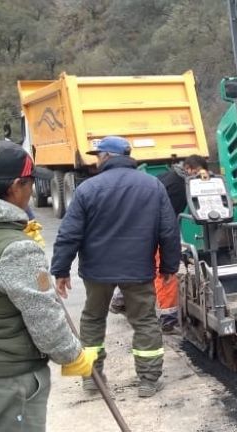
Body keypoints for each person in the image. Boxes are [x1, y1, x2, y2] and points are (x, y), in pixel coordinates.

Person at [50, 136, 180, 398]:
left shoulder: (88, 188)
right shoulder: (152, 186)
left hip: (97, 271)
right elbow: (169, 231)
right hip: (138, 269)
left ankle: (92, 379)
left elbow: (70, 232)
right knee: (144, 321)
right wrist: (168, 267)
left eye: (98, 156)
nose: (96, 160)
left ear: (108, 157)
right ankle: (148, 381)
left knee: (92, 320)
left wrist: (61, 269)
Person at [0, 141, 96, 432]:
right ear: (16, 186)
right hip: (9, 380)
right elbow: (42, 315)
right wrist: (73, 356)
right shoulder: (15, 247)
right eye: (28, 185)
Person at [110, 155, 208, 333]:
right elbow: (165, 215)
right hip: (152, 227)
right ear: (189, 168)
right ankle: (168, 318)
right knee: (165, 271)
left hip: (138, 225)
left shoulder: (169, 176)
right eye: (198, 171)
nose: (199, 175)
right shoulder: (178, 185)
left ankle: (119, 300)